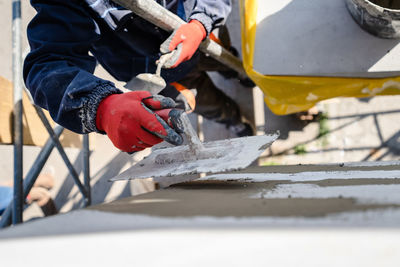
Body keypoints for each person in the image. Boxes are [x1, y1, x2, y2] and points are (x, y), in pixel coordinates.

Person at [23, 0, 253, 154]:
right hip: (154, 69)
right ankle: (233, 120)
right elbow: (48, 62)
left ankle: (237, 72)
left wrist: (202, 20)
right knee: (209, 103)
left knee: (223, 57)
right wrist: (99, 106)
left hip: (198, 31)